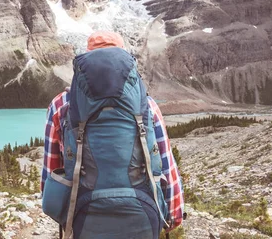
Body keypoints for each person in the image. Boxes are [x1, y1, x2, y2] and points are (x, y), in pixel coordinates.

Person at [41, 31, 184, 238]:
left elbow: (50, 172)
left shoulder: (61, 104)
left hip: (83, 216)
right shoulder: (147, 105)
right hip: (141, 214)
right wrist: (173, 215)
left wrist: (60, 215)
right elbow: (165, 163)